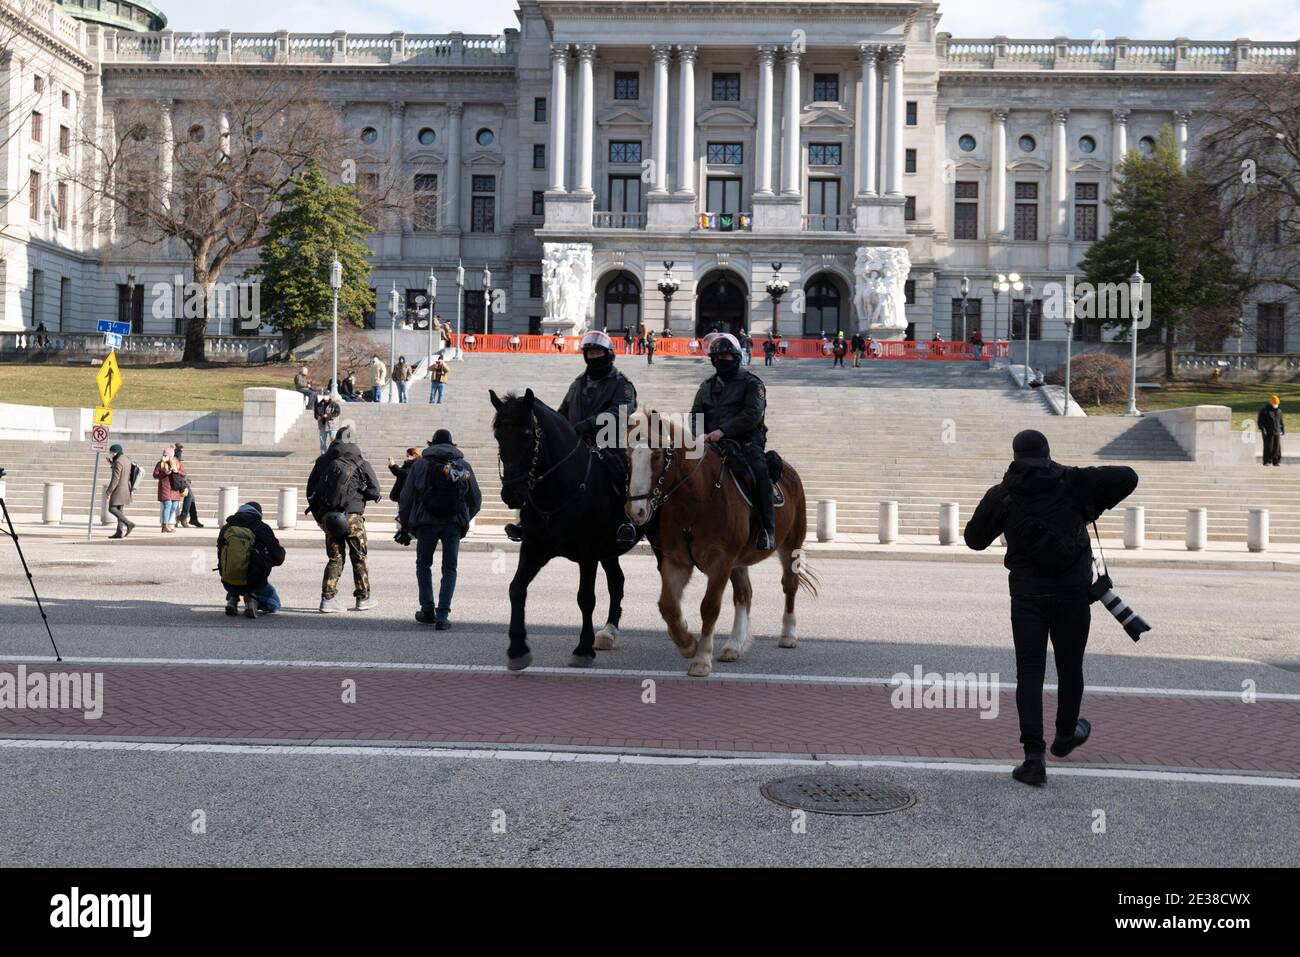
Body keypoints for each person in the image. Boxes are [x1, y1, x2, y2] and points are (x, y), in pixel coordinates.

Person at [964, 429, 1139, 787]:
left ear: (1015, 456)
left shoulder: (1003, 495)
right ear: (1047, 453)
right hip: (1073, 593)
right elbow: (1127, 477)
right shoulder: (1073, 482)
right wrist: (1087, 501)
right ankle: (1064, 735)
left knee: (1029, 673)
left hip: (1027, 595)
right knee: (1070, 667)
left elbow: (973, 540)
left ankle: (1033, 758)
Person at [504, 329, 638, 546]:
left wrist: (590, 423)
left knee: (619, 471)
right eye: (590, 353)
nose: (593, 357)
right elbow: (562, 412)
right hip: (576, 443)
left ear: (608, 354)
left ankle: (624, 522)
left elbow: (622, 412)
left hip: (608, 443)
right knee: (540, 467)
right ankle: (527, 520)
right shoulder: (578, 384)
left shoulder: (621, 383)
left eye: (597, 353)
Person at [691, 334, 775, 551]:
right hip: (711, 444)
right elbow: (695, 415)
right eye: (717, 358)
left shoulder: (752, 384)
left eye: (727, 356)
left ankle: (767, 529)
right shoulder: (706, 386)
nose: (722, 361)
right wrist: (699, 434)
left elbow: (752, 414)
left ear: (736, 357)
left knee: (759, 472)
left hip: (745, 442)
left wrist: (723, 431)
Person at [398, 429, 483, 628]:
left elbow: (406, 498)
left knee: (423, 565)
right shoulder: (463, 465)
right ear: (452, 444)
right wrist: (464, 519)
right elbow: (476, 500)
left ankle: (427, 609)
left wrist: (406, 524)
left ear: (431, 444)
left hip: (426, 523)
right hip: (453, 524)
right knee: (450, 568)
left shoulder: (420, 464)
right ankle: (442, 615)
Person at [306, 422, 382, 613]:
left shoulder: (322, 461)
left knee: (335, 558)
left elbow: (311, 492)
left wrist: (319, 517)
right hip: (353, 517)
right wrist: (360, 494)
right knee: (359, 558)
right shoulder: (360, 461)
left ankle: (327, 600)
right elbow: (375, 490)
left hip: (330, 518)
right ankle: (363, 598)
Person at [217, 502, 286, 619]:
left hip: (228, 580)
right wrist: (267, 563)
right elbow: (278, 557)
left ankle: (232, 599)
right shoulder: (261, 527)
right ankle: (252, 600)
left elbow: (220, 555)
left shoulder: (226, 528)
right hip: (254, 582)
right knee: (275, 605)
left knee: (236, 569)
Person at [105, 444, 136, 539]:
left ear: (115, 452)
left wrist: (108, 491)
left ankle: (129, 523)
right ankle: (119, 532)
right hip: (126, 487)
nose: (110, 454)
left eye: (111, 452)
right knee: (120, 510)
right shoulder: (126, 459)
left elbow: (115, 479)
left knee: (112, 509)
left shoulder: (118, 462)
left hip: (119, 489)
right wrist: (112, 464)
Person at [152, 446, 186, 533]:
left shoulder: (177, 463)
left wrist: (176, 471)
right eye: (164, 454)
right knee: (168, 505)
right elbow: (155, 475)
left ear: (171, 456)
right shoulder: (160, 463)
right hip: (165, 487)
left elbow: (184, 473)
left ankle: (166, 525)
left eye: (167, 455)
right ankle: (165, 525)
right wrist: (164, 473)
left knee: (174, 506)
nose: (164, 456)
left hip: (175, 488)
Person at [173, 443, 203, 528]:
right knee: (189, 497)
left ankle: (193, 519)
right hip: (179, 483)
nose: (182, 451)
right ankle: (183, 517)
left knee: (192, 498)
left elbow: (181, 473)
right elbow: (176, 473)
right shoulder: (175, 459)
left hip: (183, 482)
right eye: (181, 450)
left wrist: (186, 479)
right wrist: (183, 477)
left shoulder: (177, 459)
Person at [1258, 395, 1285, 467]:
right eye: (1275, 403)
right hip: (1268, 432)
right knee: (1268, 447)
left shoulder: (1279, 411)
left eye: (1277, 404)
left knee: (1277, 447)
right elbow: (1260, 422)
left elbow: (1281, 421)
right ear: (1271, 403)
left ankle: (1276, 461)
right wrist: (1263, 430)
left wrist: (1282, 429)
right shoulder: (1264, 411)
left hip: (1277, 431)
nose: (1276, 405)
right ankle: (1267, 461)